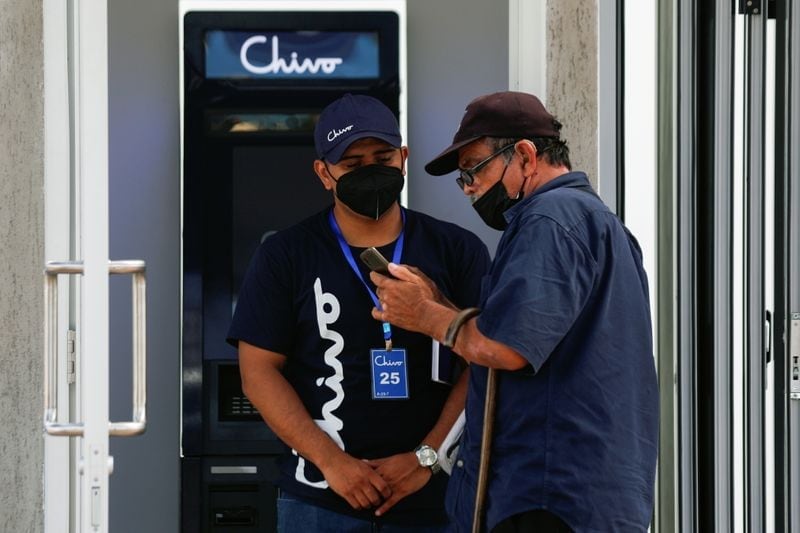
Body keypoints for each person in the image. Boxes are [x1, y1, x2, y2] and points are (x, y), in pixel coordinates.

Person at [369, 91, 659, 532]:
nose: (469, 189)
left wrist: (424, 316)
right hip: (580, 494)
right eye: (462, 178)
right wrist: (434, 301)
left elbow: (507, 349)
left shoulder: (549, 220)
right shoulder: (591, 220)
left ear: (524, 155)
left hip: (551, 498)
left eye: (475, 170)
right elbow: (517, 335)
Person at [227, 93, 491, 532]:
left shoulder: (457, 250)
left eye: (382, 157)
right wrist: (332, 463)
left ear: (403, 158)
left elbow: (483, 362)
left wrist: (426, 458)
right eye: (351, 165)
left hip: (436, 496)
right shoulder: (285, 255)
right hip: (318, 500)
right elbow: (258, 372)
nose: (369, 171)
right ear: (324, 174)